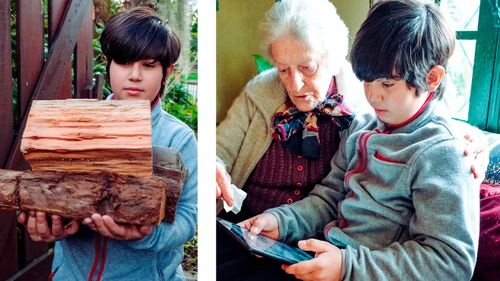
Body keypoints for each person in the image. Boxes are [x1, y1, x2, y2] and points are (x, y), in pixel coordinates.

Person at [242, 0, 482, 280]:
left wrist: (348, 266)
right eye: (367, 81)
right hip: (321, 256)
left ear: (432, 78)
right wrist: (281, 222)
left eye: (387, 84)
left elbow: (450, 262)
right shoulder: (361, 125)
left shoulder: (443, 153)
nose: (373, 96)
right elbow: (329, 197)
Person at [17, 7, 197, 281]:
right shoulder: (75, 123)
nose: (135, 75)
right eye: (124, 62)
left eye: (148, 65)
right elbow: (53, 190)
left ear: (167, 72)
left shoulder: (179, 138)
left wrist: (145, 236)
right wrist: (54, 225)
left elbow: (188, 216)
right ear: (108, 63)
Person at [216, 0, 368, 279]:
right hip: (245, 227)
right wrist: (213, 167)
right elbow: (219, 150)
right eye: (283, 69)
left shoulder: (365, 101)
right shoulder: (261, 90)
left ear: (333, 58)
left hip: (312, 240)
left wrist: (473, 140)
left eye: (307, 67)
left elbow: (419, 111)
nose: (295, 84)